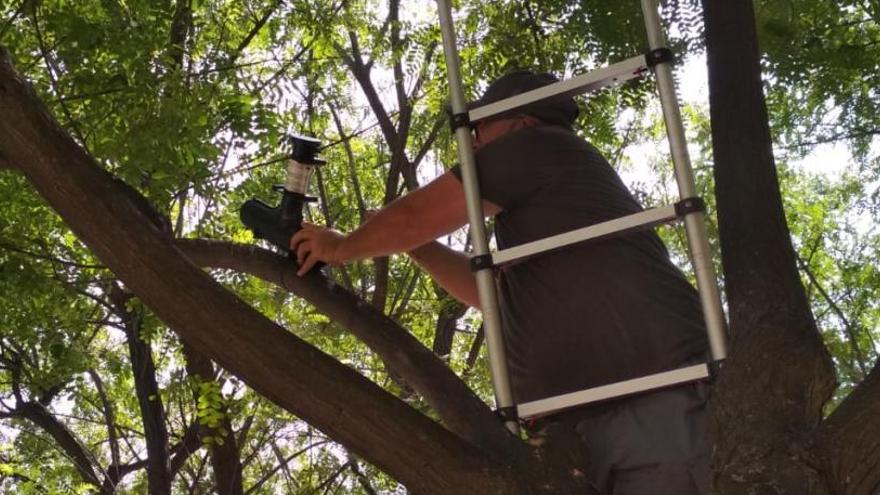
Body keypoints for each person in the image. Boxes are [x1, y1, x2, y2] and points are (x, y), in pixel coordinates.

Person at [291, 70, 709, 494]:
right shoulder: (547, 214)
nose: (472, 142)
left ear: (521, 121)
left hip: (650, 405)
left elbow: (412, 219)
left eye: (480, 127)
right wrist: (417, 248)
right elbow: (491, 297)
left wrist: (338, 247)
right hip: (592, 425)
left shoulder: (538, 145)